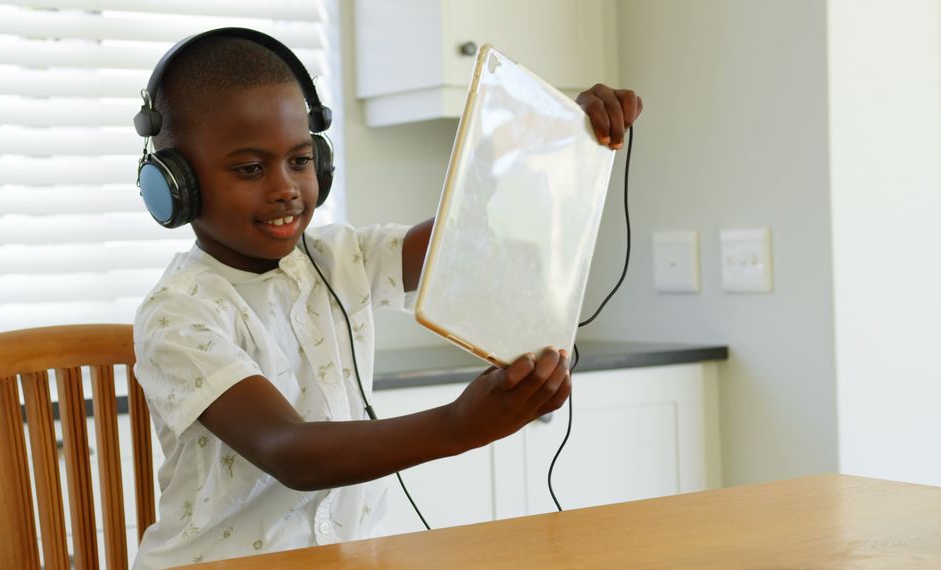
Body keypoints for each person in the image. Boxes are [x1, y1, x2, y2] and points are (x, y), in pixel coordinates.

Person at [131, 29, 642, 569]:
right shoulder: (178, 314)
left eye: (301, 160)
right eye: (251, 169)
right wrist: (457, 425)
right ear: (174, 185)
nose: (286, 188)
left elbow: (463, 232)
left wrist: (556, 133)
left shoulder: (337, 256)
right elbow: (289, 451)